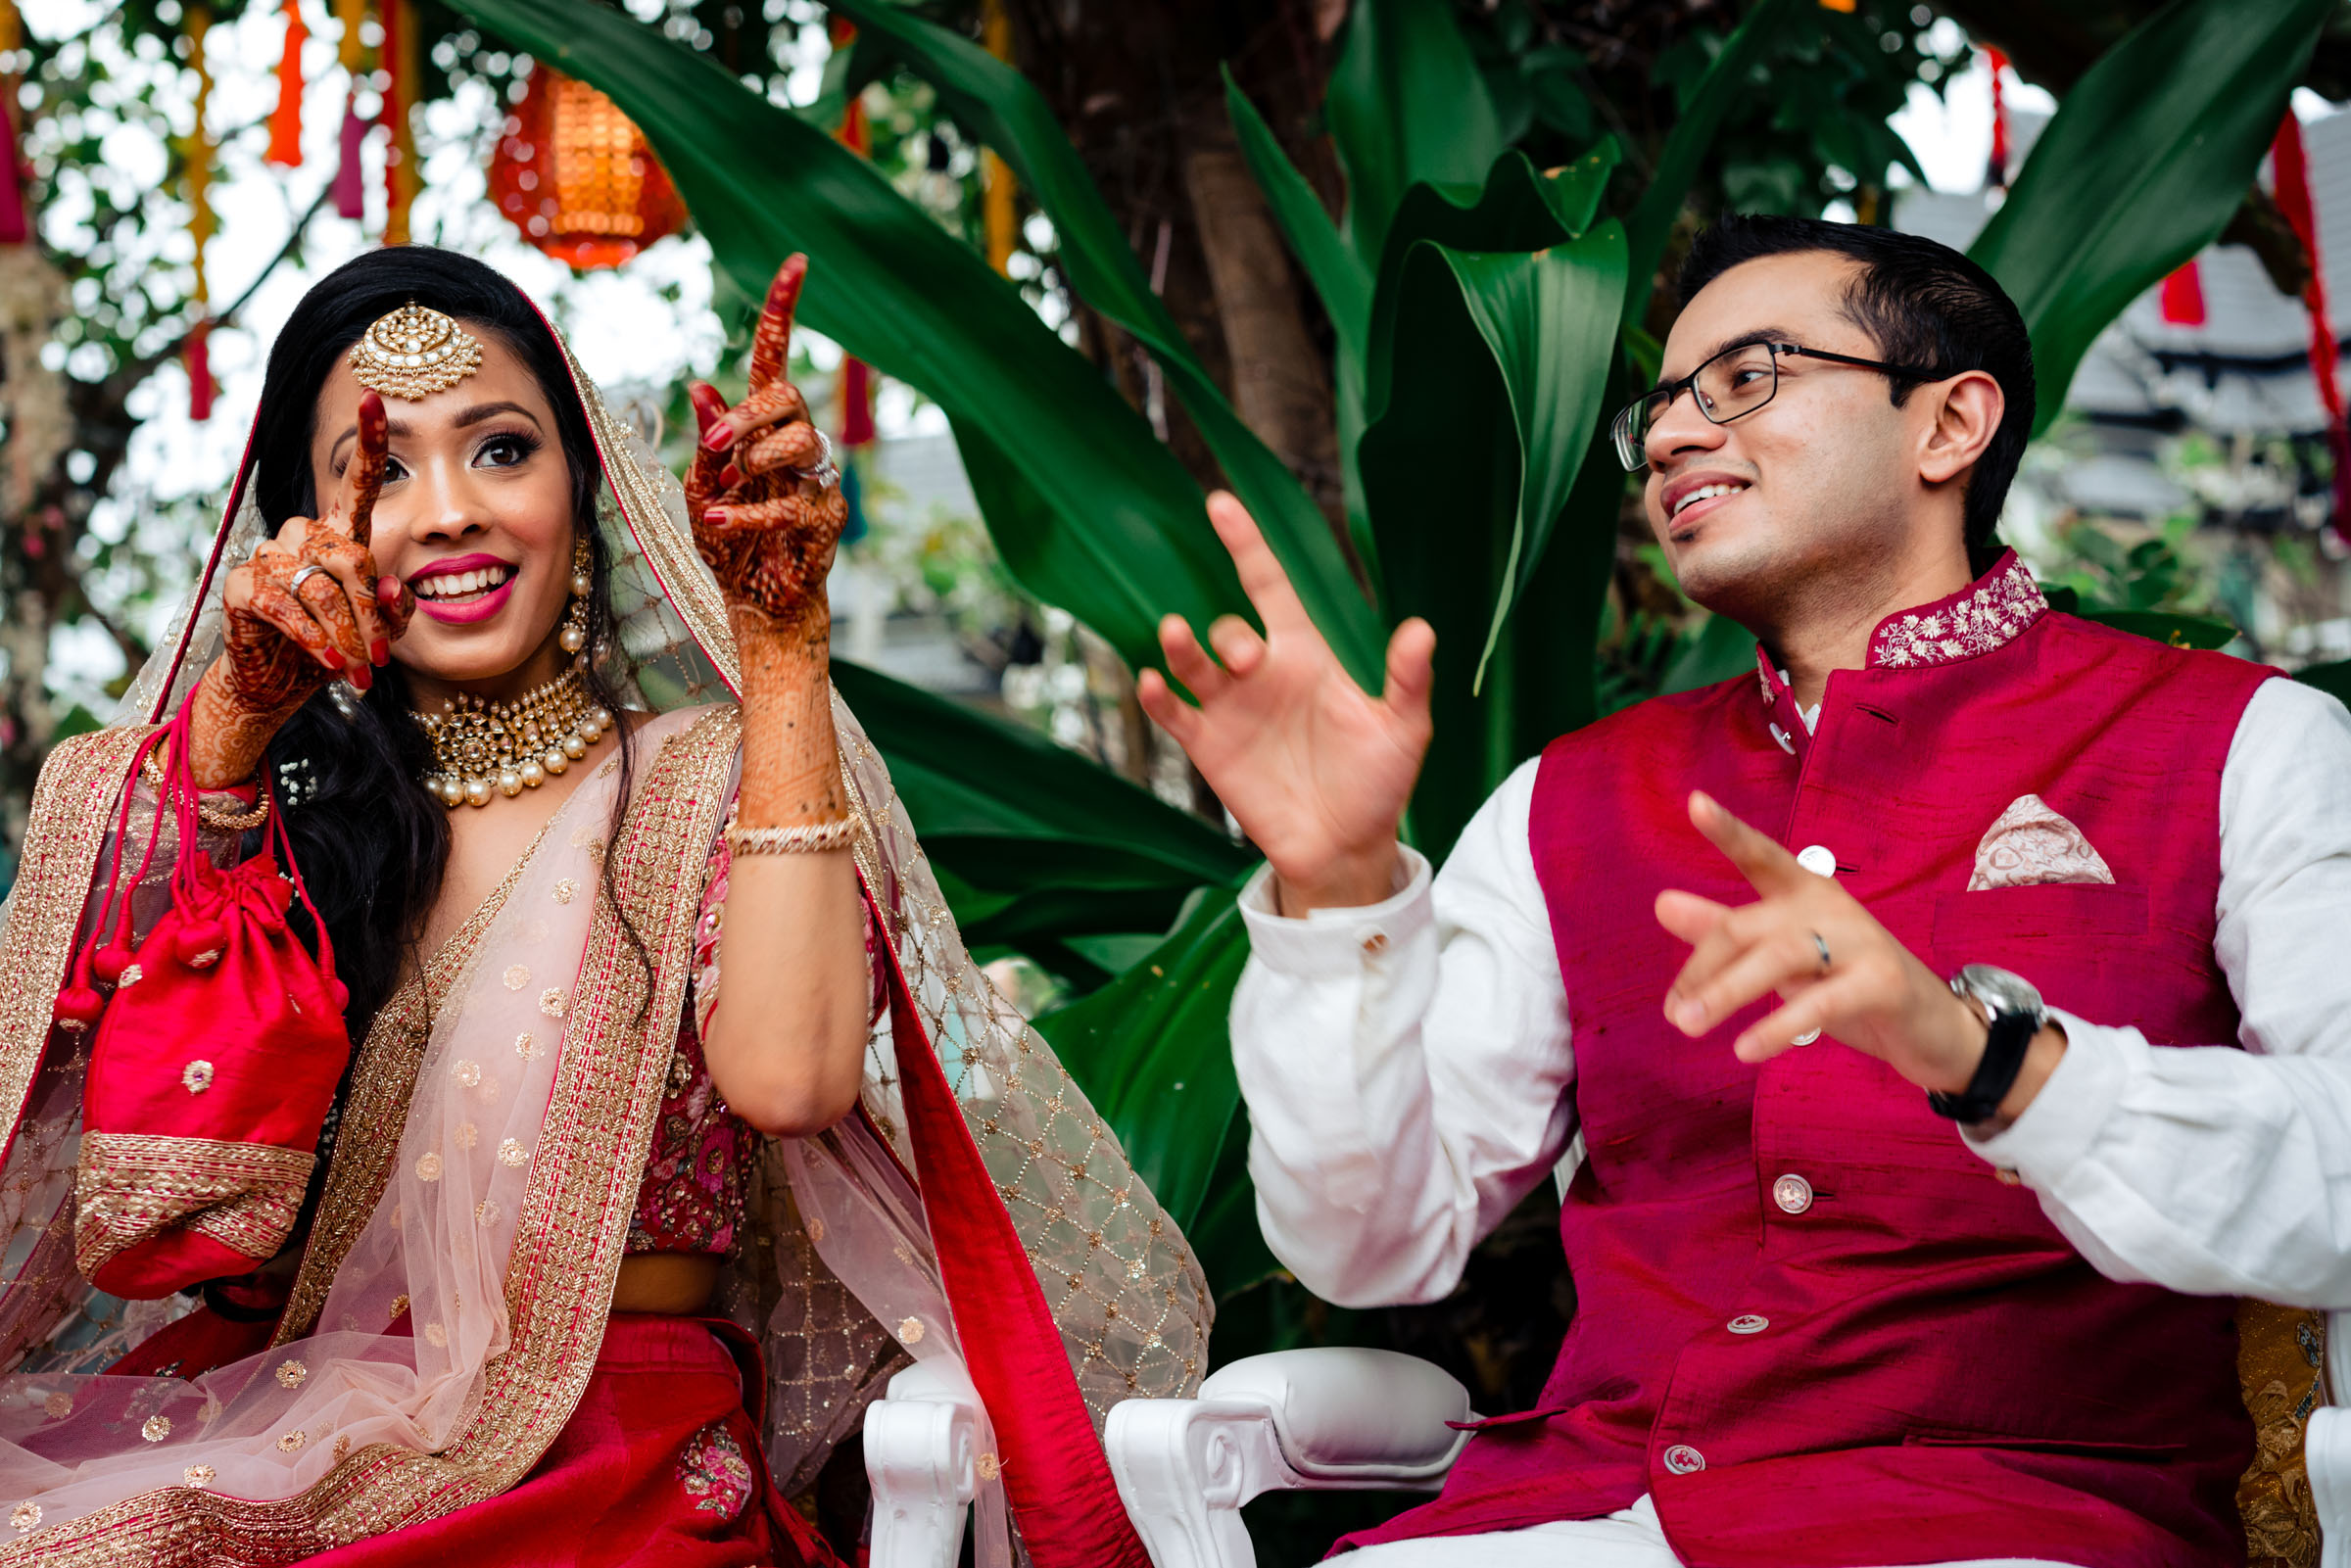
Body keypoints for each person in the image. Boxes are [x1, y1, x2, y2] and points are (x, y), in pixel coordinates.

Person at [1141, 213, 2351, 1567]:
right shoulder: (1568, 801)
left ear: (1948, 425)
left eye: (1748, 379)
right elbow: (1373, 1247)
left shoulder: (2242, 745)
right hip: (1583, 1520)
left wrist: (1987, 1057)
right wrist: (1340, 893)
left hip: (2003, 1524)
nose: (1667, 438)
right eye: (1659, 408)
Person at [0, 246, 1207, 1565]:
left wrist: (783, 646)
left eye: (501, 448)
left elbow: (794, 1076)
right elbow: (153, 1224)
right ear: (306, 523)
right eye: (384, 467)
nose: (450, 509)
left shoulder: (701, 779)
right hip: (299, 1432)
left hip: (606, 1465)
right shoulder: (279, 830)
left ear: (583, 485)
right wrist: (229, 735)